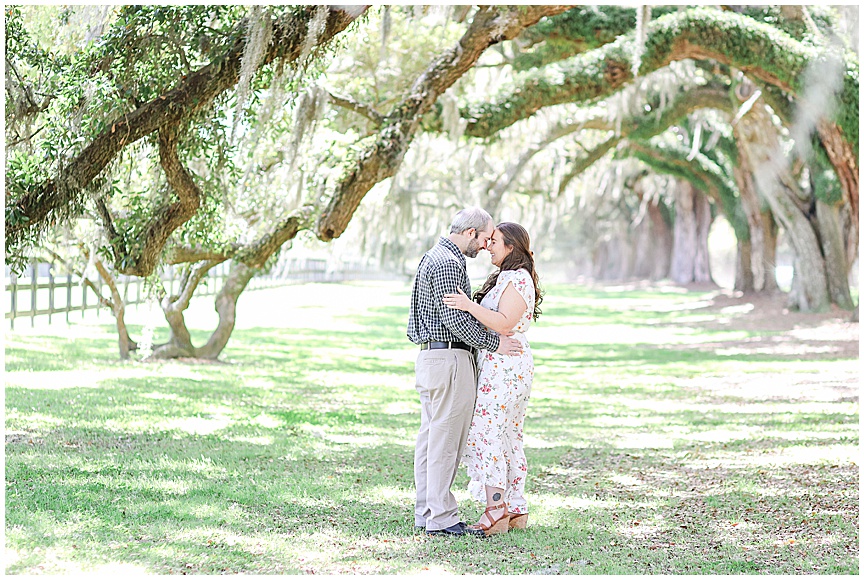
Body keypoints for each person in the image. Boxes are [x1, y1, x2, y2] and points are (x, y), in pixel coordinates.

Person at [407, 208, 524, 537]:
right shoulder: (447, 262)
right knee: (445, 442)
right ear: (471, 233)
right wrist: (494, 343)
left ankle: (426, 512)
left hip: (433, 358)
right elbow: (456, 320)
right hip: (448, 360)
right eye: (485, 238)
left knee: (431, 440)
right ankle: (441, 518)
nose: (486, 246)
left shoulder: (433, 256)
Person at [442, 222, 543, 536]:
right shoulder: (507, 277)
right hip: (500, 363)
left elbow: (502, 323)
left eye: (495, 241)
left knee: (488, 432)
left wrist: (467, 305)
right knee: (506, 435)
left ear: (511, 247)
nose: (488, 246)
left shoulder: (518, 278)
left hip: (505, 364)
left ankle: (496, 509)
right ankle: (514, 507)